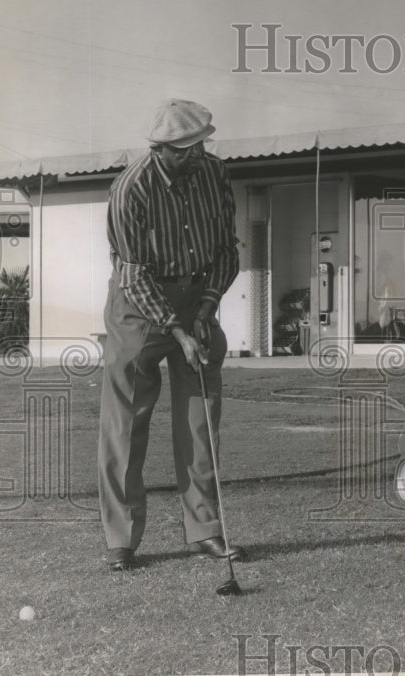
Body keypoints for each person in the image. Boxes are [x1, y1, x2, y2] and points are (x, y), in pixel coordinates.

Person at [98, 98, 243, 572]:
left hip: (194, 294)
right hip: (137, 305)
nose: (194, 156)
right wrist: (177, 331)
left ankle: (205, 529)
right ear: (160, 150)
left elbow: (226, 249)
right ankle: (122, 540)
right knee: (127, 422)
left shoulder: (216, 174)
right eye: (184, 150)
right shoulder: (130, 189)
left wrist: (206, 306)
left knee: (200, 418)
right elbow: (134, 275)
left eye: (199, 145)